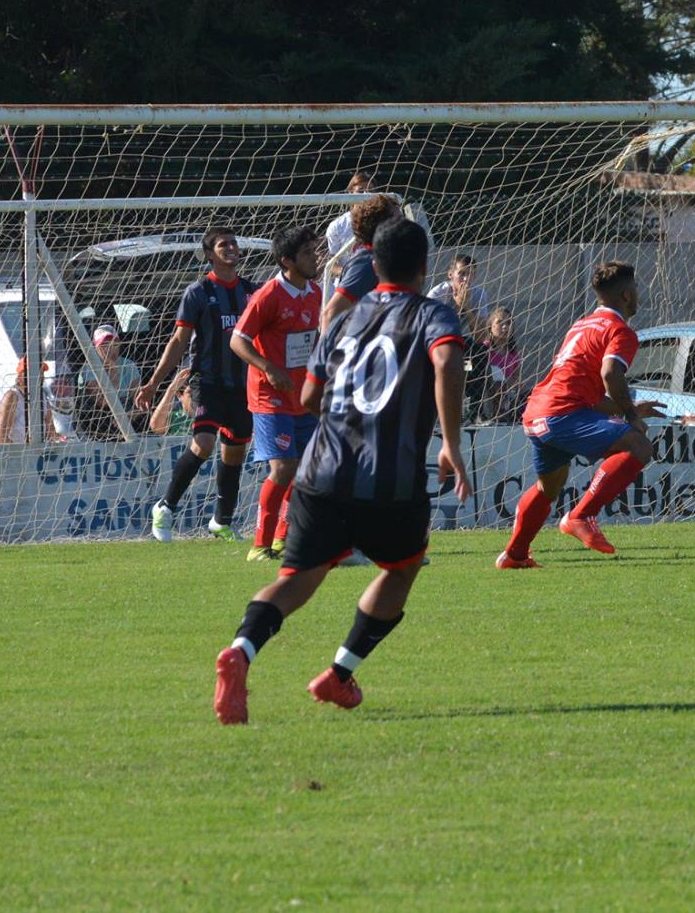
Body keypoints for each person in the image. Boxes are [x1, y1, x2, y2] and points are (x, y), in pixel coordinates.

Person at [211, 217, 471, 725]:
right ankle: (339, 673)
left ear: (375, 265)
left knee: (296, 579)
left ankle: (240, 651)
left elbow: (310, 395)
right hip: (389, 477)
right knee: (403, 567)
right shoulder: (432, 313)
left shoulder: (342, 319)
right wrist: (452, 444)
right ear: (424, 267)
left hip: (322, 471)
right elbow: (446, 363)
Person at [497, 261, 665, 568]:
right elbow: (610, 373)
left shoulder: (581, 326)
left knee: (549, 487)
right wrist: (631, 416)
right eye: (636, 288)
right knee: (639, 446)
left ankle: (514, 555)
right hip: (563, 414)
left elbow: (586, 393)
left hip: (538, 410)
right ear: (627, 295)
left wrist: (624, 408)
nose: (638, 294)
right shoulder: (621, 331)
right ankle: (581, 516)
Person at [138, 228, 255, 542]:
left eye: (234, 243)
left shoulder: (251, 291)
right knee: (203, 443)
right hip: (207, 381)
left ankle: (221, 521)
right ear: (209, 254)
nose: (231, 248)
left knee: (235, 452)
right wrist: (153, 383)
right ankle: (165, 506)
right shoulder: (198, 292)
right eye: (223, 244)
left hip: (242, 384)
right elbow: (179, 341)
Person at [229, 224, 325, 562]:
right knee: (283, 467)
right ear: (287, 260)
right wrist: (269, 368)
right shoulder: (268, 295)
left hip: (302, 396)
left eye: (315, 251)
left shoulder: (315, 292)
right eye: (307, 253)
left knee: (305, 468)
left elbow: (311, 338)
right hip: (269, 396)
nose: (315, 258)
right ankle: (259, 545)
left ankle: (284, 538)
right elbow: (237, 340)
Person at [323, 194, 404, 331]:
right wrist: (327, 346)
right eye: (398, 219)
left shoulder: (387, 257)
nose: (404, 224)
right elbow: (330, 313)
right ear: (381, 225)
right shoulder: (366, 263)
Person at [429, 254, 493, 420]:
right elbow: (437, 333)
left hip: (461, 351)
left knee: (478, 353)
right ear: (451, 274)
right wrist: (457, 307)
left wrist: (468, 308)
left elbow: (480, 337)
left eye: (470, 274)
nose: (466, 279)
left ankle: (474, 412)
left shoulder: (479, 294)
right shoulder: (437, 294)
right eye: (461, 274)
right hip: (435, 348)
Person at [76, 325, 142, 441]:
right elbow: (103, 402)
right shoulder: (89, 368)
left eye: (115, 344)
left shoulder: (129, 365)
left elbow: (139, 399)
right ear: (96, 347)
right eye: (105, 345)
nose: (111, 349)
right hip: (100, 416)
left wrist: (133, 413)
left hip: (127, 411)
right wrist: (113, 370)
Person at [0, 358, 65, 445]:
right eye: (34, 373)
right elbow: (1, 438)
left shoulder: (42, 396)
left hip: (36, 450)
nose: (39, 376)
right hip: (15, 450)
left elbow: (51, 432)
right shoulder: (12, 397)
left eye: (41, 373)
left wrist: (61, 439)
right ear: (21, 375)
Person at [481, 307, 523, 423]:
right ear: (490, 327)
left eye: (508, 323)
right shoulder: (484, 349)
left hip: (507, 395)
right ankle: (496, 415)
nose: (505, 327)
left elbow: (516, 380)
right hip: (485, 394)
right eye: (499, 322)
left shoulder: (513, 354)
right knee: (497, 376)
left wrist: (517, 389)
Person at [147, 367, 196, 437]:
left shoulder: (209, 415)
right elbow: (156, 427)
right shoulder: (175, 418)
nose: (197, 397)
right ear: (179, 395)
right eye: (191, 394)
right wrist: (171, 390)